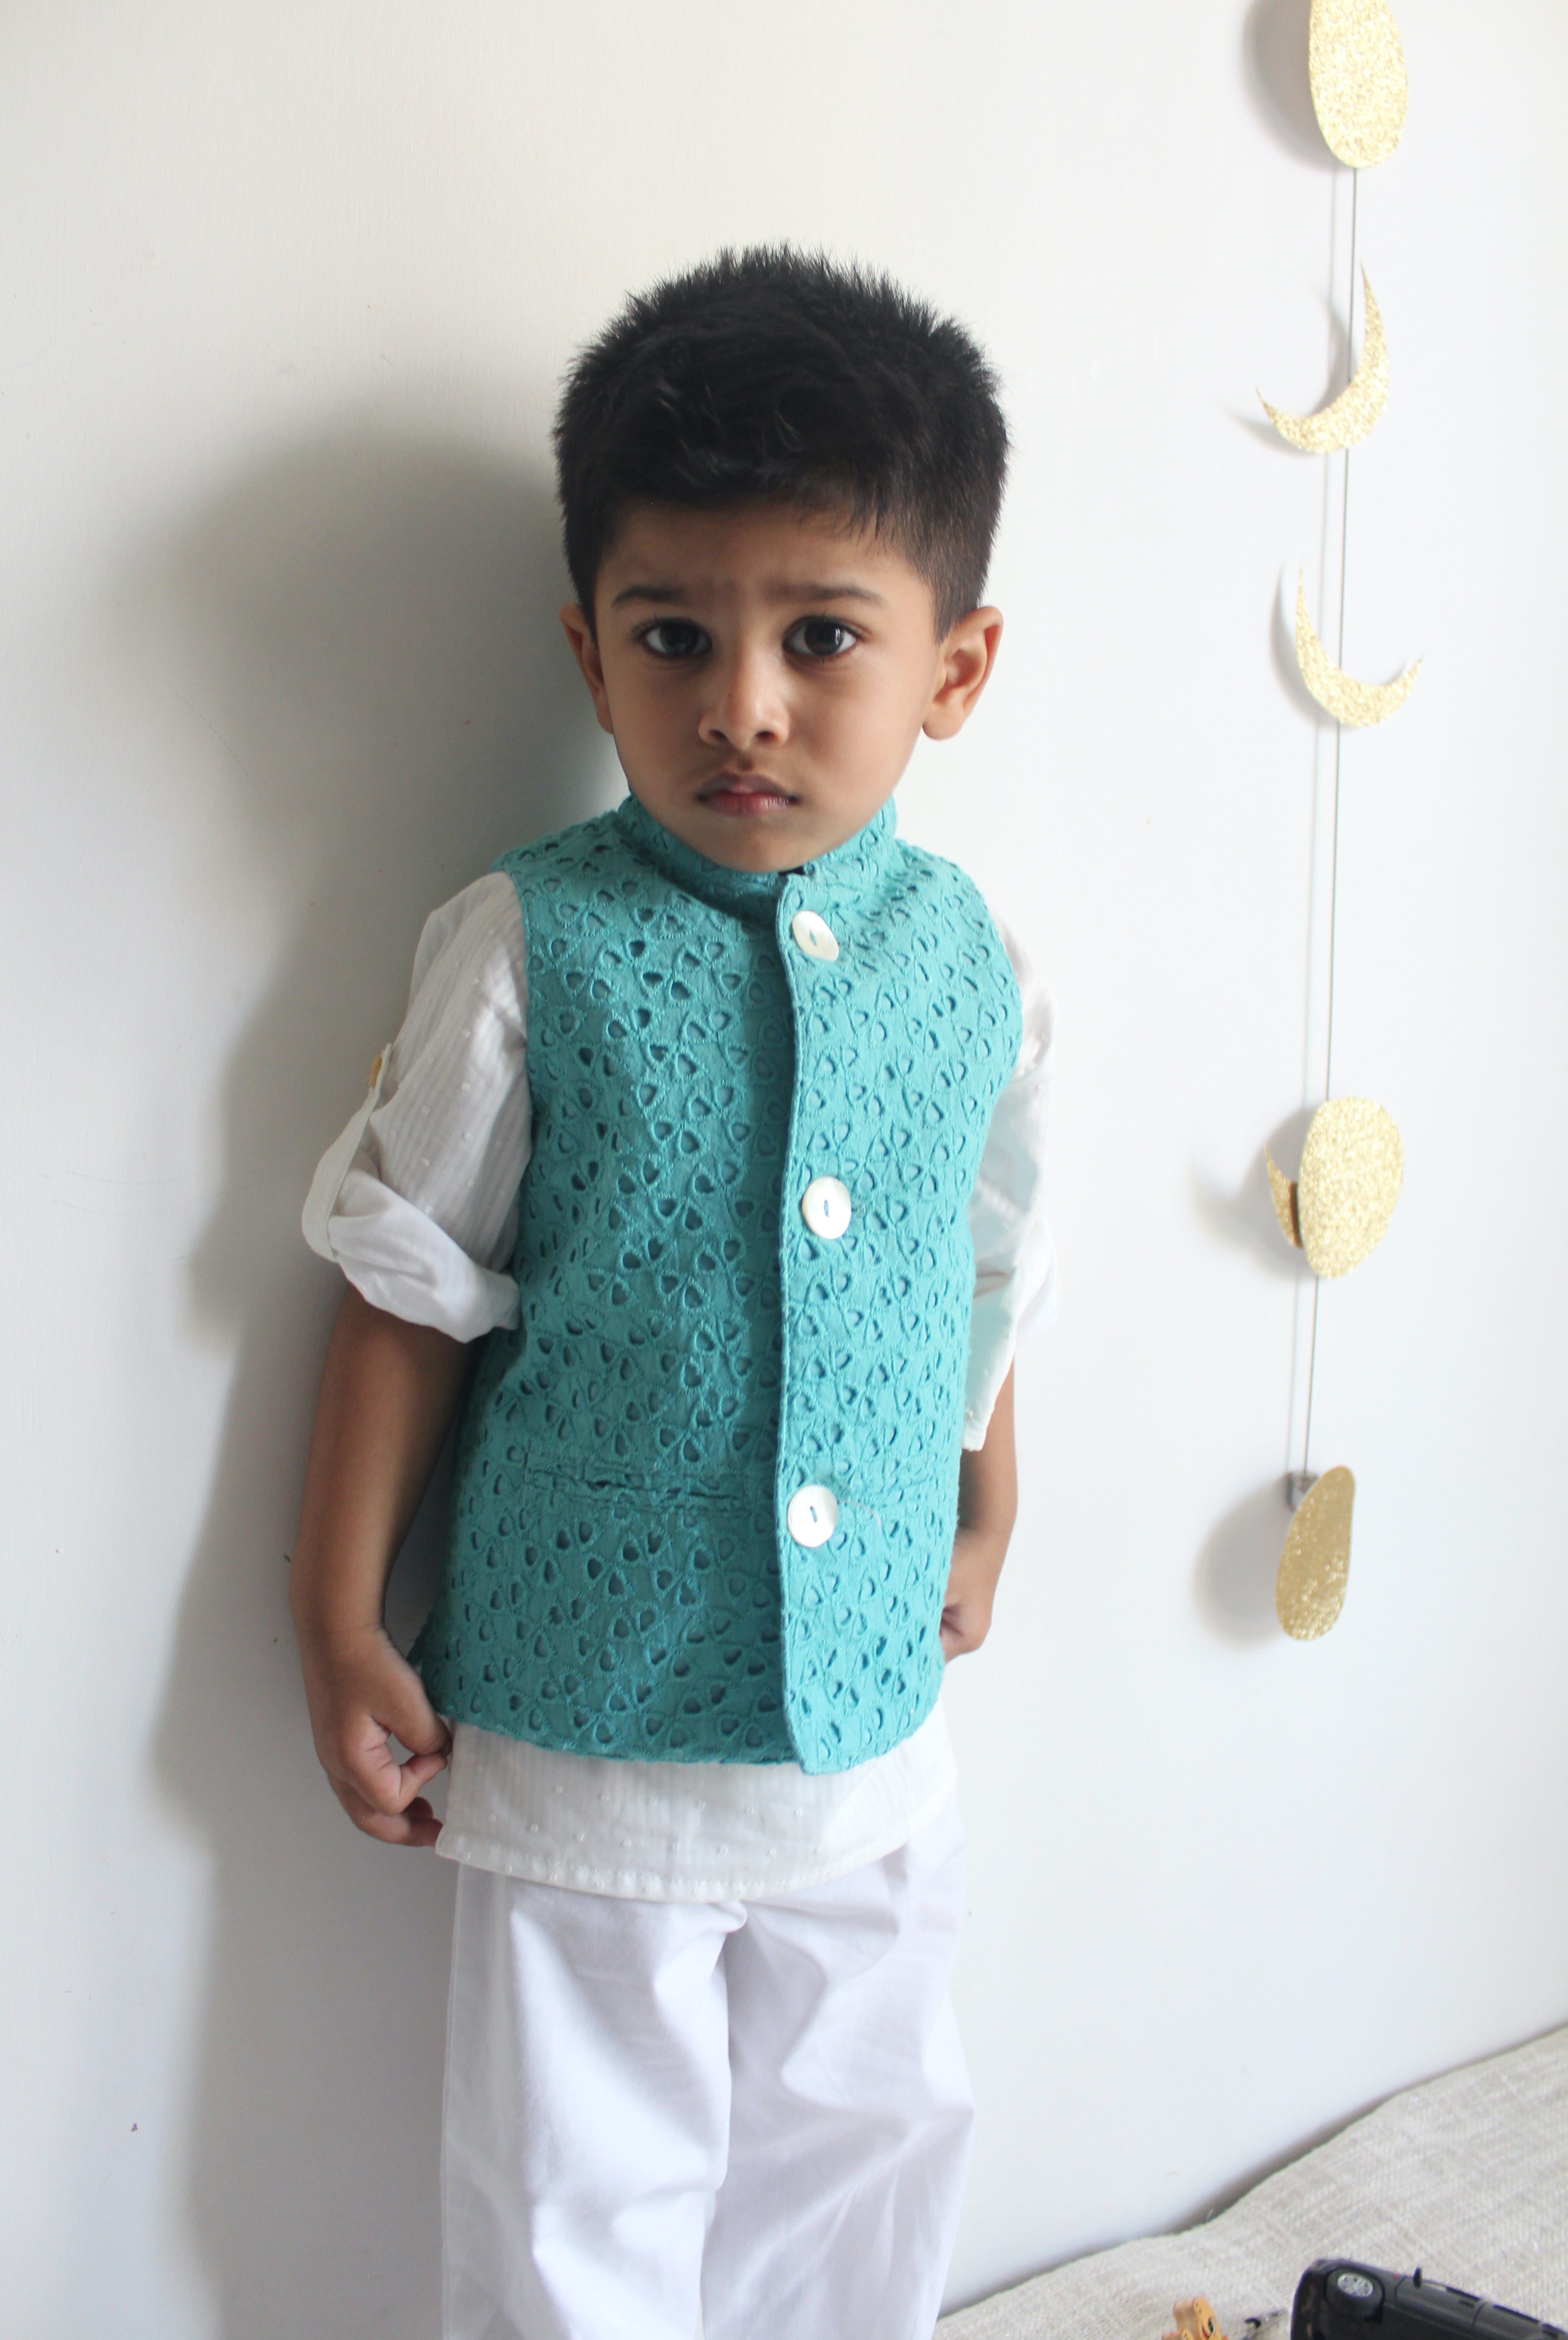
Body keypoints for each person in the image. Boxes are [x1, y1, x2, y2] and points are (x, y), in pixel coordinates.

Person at [291, 246, 1054, 2340]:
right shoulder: (529, 944)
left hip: (871, 1732)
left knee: (872, 2140)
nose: (742, 704)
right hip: (588, 1720)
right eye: (673, 634)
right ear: (589, 649)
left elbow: (980, 1266)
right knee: (576, 2198)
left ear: (956, 668)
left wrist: (990, 1505)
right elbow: (407, 1290)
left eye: (823, 637)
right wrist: (338, 1613)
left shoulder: (974, 959)